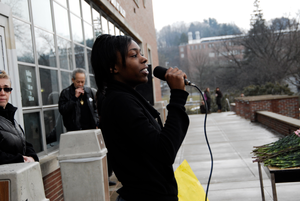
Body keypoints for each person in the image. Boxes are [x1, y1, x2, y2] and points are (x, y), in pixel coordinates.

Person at [91, 34, 189, 201]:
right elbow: (165, 151)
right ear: (113, 67)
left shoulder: (124, 98)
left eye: (142, 54)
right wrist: (178, 97)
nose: (144, 59)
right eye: (134, 55)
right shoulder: (120, 101)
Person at [0, 70, 39, 165]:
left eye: (6, 89)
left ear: (10, 92)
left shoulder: (10, 118)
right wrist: (20, 159)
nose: (2, 93)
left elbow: (23, 143)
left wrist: (32, 157)